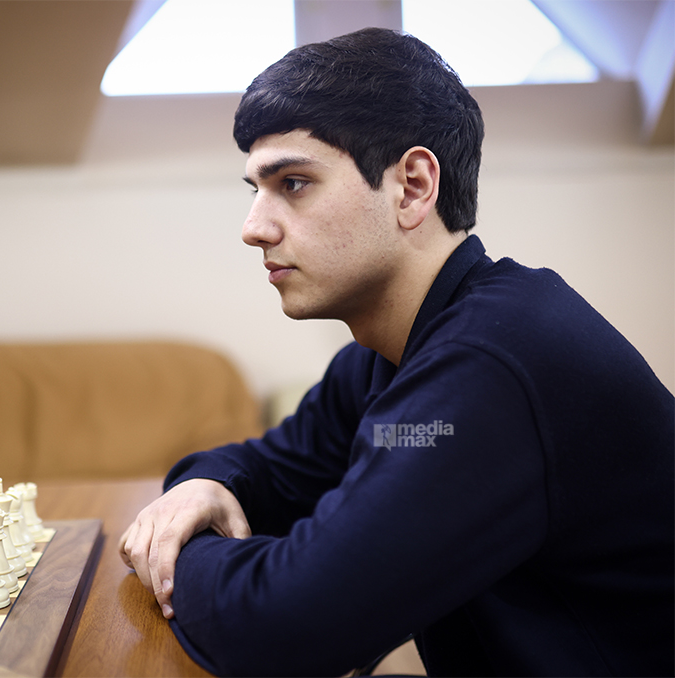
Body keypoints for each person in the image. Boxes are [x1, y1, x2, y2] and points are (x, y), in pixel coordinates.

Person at [119, 27, 674, 677]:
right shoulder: (390, 352)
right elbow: (275, 470)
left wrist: (174, 553)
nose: (253, 228)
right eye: (255, 190)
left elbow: (289, 626)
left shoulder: (489, 366)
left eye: (293, 183)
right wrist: (204, 486)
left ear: (412, 186)